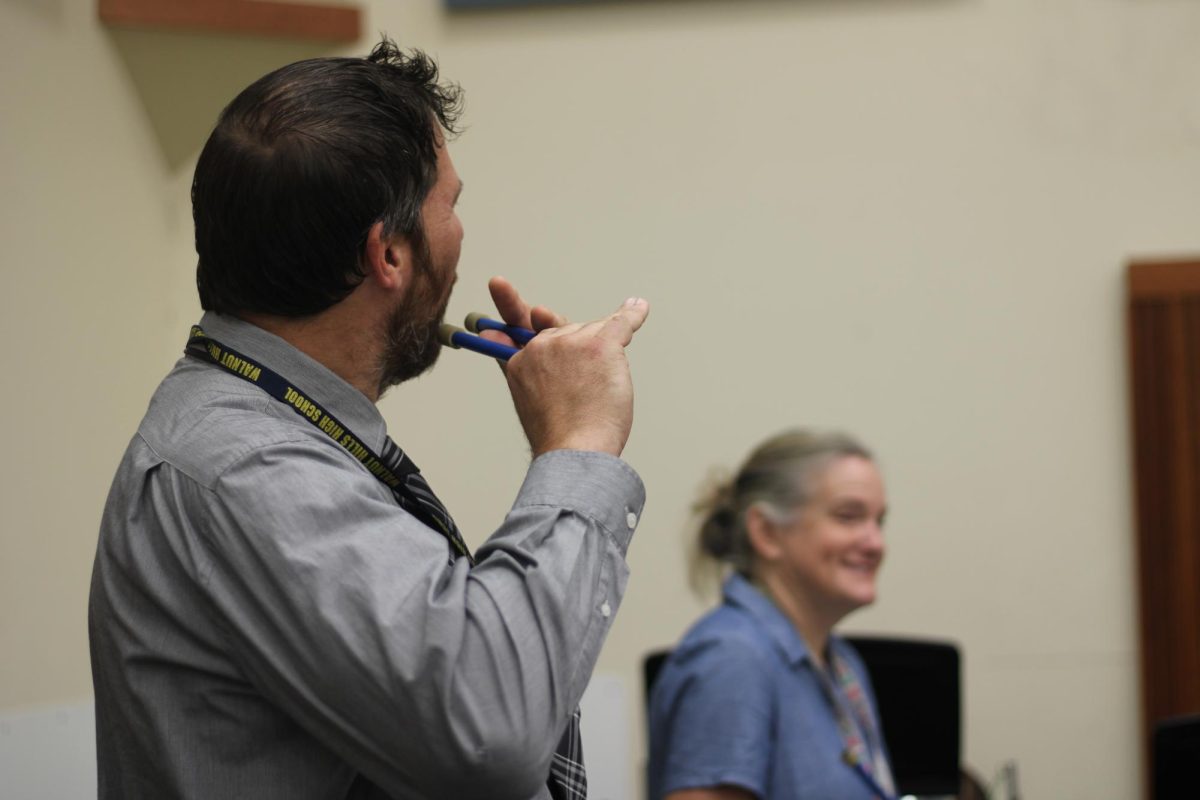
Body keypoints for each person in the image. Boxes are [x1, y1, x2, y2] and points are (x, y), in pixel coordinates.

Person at [88, 38, 649, 800]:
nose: (458, 234)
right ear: (387, 254)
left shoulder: (260, 427)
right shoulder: (247, 468)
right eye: (451, 204)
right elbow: (487, 732)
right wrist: (578, 444)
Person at [647, 430, 894, 800]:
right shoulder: (731, 659)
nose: (875, 543)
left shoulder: (843, 664)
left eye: (879, 521)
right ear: (766, 533)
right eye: (848, 516)